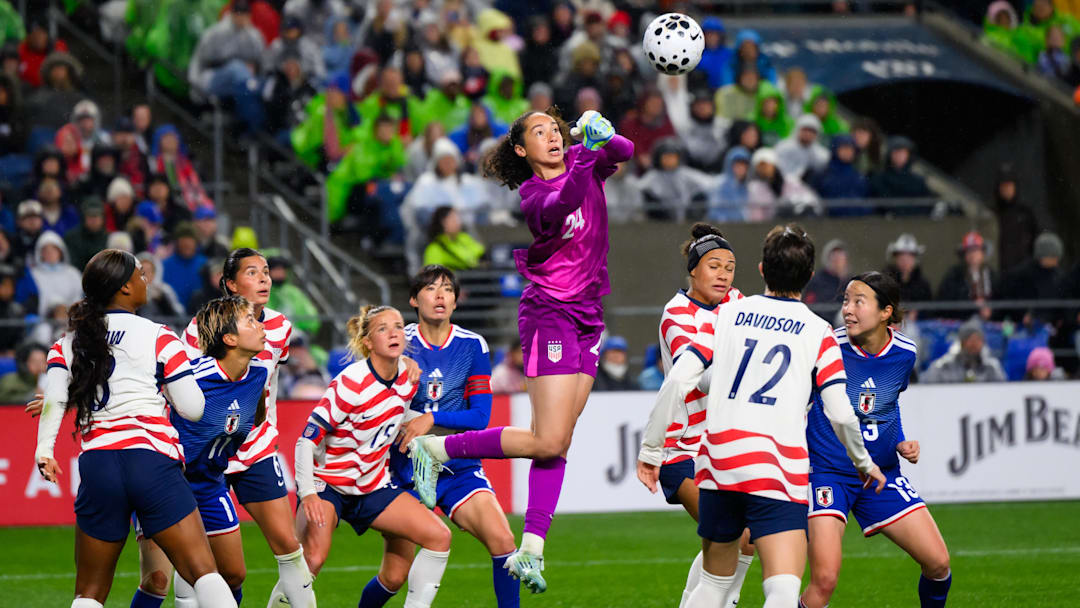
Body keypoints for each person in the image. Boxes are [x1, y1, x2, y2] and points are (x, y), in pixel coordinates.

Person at [411, 107, 634, 593]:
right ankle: (437, 447)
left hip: (589, 314)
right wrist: (588, 154)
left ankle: (531, 547)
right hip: (550, 311)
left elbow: (626, 152)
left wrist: (606, 136)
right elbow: (565, 201)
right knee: (548, 440)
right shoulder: (534, 194)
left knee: (558, 438)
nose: (553, 135)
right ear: (521, 150)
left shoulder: (583, 156)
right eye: (539, 132)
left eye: (556, 127)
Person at [641, 224, 884, 608]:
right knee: (783, 590)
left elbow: (679, 379)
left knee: (714, 582)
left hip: (719, 462)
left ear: (759, 269)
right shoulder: (820, 332)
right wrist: (863, 461)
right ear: (809, 276)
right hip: (776, 468)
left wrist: (649, 449)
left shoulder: (728, 314)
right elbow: (840, 411)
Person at [33, 249, 238, 608]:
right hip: (151, 463)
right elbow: (192, 408)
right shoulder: (159, 335)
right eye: (141, 275)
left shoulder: (67, 343)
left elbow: (53, 401)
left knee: (89, 593)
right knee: (204, 573)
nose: (146, 280)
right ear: (125, 288)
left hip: (97, 466)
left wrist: (44, 451)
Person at [174, 248, 314, 606]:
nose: (265, 278)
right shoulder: (200, 329)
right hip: (207, 456)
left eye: (266, 271)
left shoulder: (281, 327)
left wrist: (256, 420)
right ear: (231, 284)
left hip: (255, 449)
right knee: (194, 566)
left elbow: (261, 385)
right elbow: (187, 391)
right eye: (253, 272)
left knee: (288, 545)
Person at [803, 272, 950, 608]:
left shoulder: (904, 353)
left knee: (939, 564)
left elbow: (887, 404)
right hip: (827, 474)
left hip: (881, 475)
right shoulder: (827, 348)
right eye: (845, 301)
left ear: (886, 312)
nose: (848, 310)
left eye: (858, 301)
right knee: (824, 581)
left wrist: (898, 440)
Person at [293, 305, 451, 608]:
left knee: (436, 538)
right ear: (368, 342)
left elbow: (394, 415)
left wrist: (421, 436)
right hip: (329, 484)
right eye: (383, 328)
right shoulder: (349, 383)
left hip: (373, 485)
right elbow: (305, 441)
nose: (394, 332)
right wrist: (308, 494)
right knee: (311, 561)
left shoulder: (409, 376)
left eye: (398, 326)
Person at [636, 223, 753, 608]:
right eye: (714, 265)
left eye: (730, 267)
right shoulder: (676, 315)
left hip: (722, 445)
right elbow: (699, 380)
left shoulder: (735, 300)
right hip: (681, 449)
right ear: (693, 269)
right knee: (731, 536)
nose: (723, 275)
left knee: (737, 539)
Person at [391, 266, 519, 607]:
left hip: (456, 464)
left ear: (456, 300)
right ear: (413, 299)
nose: (440, 296)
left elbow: (480, 417)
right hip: (405, 469)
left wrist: (430, 418)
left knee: (504, 541)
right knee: (393, 575)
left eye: (447, 289)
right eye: (431, 289)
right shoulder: (398, 343)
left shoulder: (472, 345)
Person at [167, 295, 278, 606]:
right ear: (229, 338)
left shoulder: (257, 374)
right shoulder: (192, 377)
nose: (259, 326)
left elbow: (254, 416)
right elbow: (139, 393)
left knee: (233, 574)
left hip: (211, 483)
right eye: (250, 321)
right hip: (170, 484)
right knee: (158, 579)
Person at [16, 230, 83, 317]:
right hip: (43, 322)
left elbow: (78, 297)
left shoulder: (73, 273)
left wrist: (66, 311)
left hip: (70, 320)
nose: (50, 253)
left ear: (61, 251)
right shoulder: (33, 275)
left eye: (54, 249)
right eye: (46, 250)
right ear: (40, 254)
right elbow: (34, 300)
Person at [922, 319, 1006, 383]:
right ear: (962, 343)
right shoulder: (943, 366)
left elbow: (1001, 390)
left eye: (978, 340)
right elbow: (927, 387)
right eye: (971, 340)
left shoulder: (992, 367)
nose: (975, 344)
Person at [936, 231, 997, 320]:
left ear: (983, 253)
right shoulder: (955, 275)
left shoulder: (992, 275)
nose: (972, 254)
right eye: (969, 251)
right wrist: (972, 304)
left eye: (976, 250)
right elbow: (946, 302)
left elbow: (1000, 299)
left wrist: (990, 311)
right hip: (961, 322)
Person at [992, 163, 1038, 272]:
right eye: (1003, 186)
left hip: (1022, 272)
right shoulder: (991, 214)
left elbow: (1035, 241)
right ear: (998, 188)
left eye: (1009, 185)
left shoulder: (1025, 213)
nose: (1006, 189)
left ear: (1015, 187)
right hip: (998, 271)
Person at [422, 206, 486, 271]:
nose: (458, 222)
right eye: (453, 219)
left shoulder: (464, 238)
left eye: (458, 218)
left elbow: (481, 252)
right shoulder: (434, 249)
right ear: (442, 222)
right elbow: (432, 276)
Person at [162, 223, 208, 312]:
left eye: (190, 240)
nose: (187, 244)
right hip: (171, 318)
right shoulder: (165, 266)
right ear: (177, 242)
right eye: (183, 240)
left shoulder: (205, 265)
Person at [135, 251, 186, 324]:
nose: (145, 275)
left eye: (149, 271)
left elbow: (178, 317)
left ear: (154, 273)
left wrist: (162, 300)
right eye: (142, 271)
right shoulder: (129, 292)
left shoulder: (164, 291)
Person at [883, 233, 933, 305]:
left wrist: (917, 312)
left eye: (909, 257)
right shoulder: (886, 282)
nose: (905, 261)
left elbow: (929, 308)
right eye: (901, 257)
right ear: (895, 258)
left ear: (915, 259)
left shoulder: (923, 285)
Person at [775, 114, 829, 180]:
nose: (808, 134)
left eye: (812, 131)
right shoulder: (783, 147)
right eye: (805, 130)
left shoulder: (822, 155)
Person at [805, 239, 850, 312]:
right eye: (834, 255)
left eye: (840, 255)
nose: (837, 259)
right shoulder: (816, 282)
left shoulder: (851, 282)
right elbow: (810, 306)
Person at [63, 198, 108, 271]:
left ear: (102, 218)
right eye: (90, 216)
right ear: (84, 218)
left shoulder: (109, 237)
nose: (93, 220)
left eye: (96, 216)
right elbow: (71, 265)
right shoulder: (71, 238)